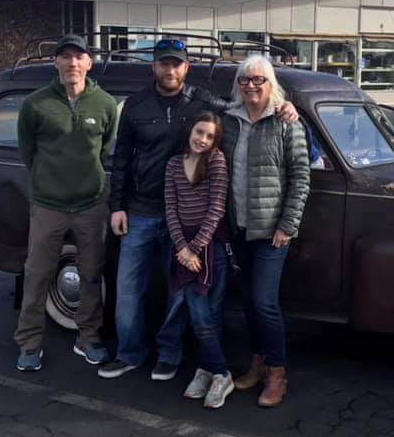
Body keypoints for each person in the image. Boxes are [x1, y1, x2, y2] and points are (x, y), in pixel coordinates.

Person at [99, 39, 297, 380]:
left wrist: (284, 105)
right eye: (164, 63)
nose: (170, 69)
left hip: (187, 215)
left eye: (176, 63)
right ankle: (129, 352)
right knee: (129, 287)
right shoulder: (136, 104)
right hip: (142, 209)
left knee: (179, 293)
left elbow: (244, 106)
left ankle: (170, 355)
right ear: (154, 67)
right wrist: (116, 206)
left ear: (186, 68)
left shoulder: (202, 100)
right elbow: (120, 159)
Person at [14, 34, 118, 371]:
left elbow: (105, 151)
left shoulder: (104, 104)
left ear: (89, 63)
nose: (72, 63)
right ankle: (29, 343)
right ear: (56, 63)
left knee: (90, 273)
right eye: (65, 57)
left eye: (79, 57)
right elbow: (29, 151)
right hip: (49, 204)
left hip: (91, 203)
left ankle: (88, 337)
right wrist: (49, 179)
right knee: (37, 273)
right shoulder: (35, 104)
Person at [222, 55, 310, 407]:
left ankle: (277, 373)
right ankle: (256, 364)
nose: (251, 86)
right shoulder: (229, 120)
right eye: (245, 80)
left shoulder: (287, 121)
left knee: (264, 302)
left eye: (258, 80)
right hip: (238, 227)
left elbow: (301, 176)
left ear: (271, 83)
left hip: (272, 231)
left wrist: (287, 225)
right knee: (247, 301)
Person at [164, 113, 233, 408]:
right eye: (199, 132)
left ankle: (210, 371)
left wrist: (195, 248)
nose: (202, 140)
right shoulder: (173, 165)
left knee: (210, 313)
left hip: (211, 246)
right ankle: (219, 372)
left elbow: (217, 208)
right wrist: (182, 247)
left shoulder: (216, 161)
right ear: (190, 130)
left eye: (209, 136)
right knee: (200, 313)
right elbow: (171, 208)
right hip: (184, 247)